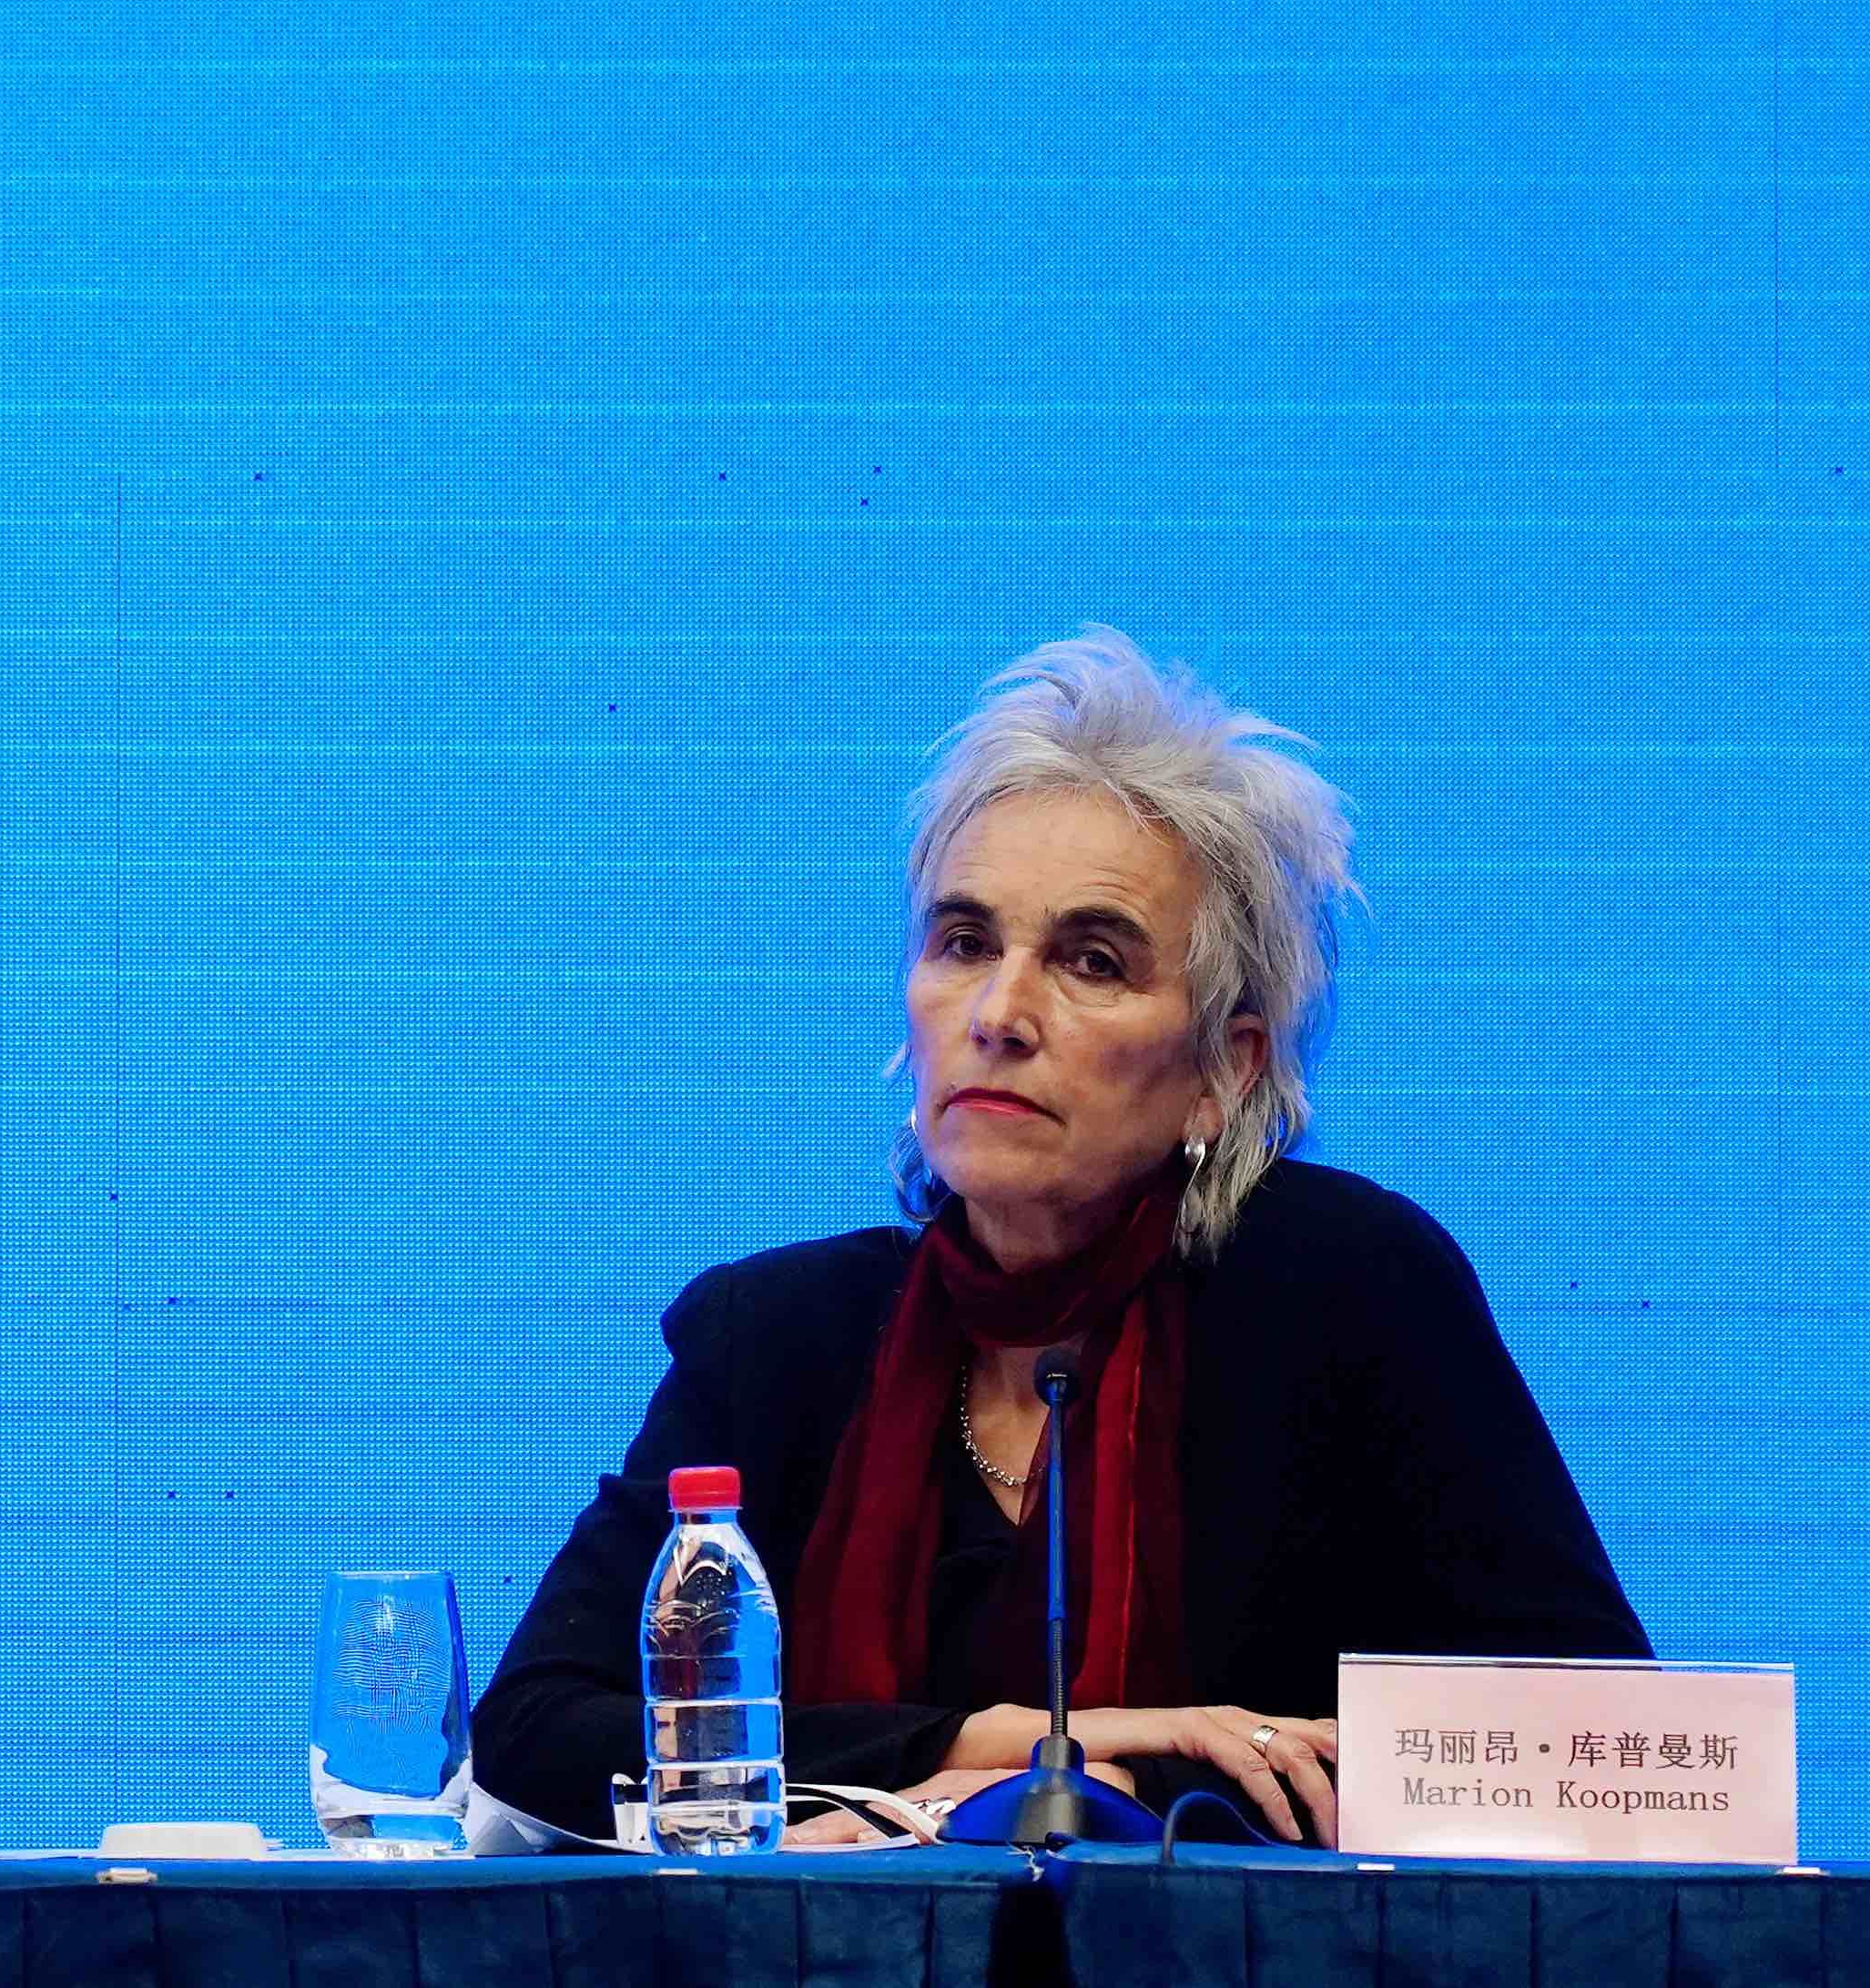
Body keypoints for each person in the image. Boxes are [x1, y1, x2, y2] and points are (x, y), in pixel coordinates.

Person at [473, 634, 1644, 1847]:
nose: (999, 1014)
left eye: (1091, 959)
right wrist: (993, 1749)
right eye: (963, 941)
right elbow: (540, 1728)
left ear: (1224, 1070)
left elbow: (1586, 1748)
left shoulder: (1345, 1290)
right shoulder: (774, 1336)